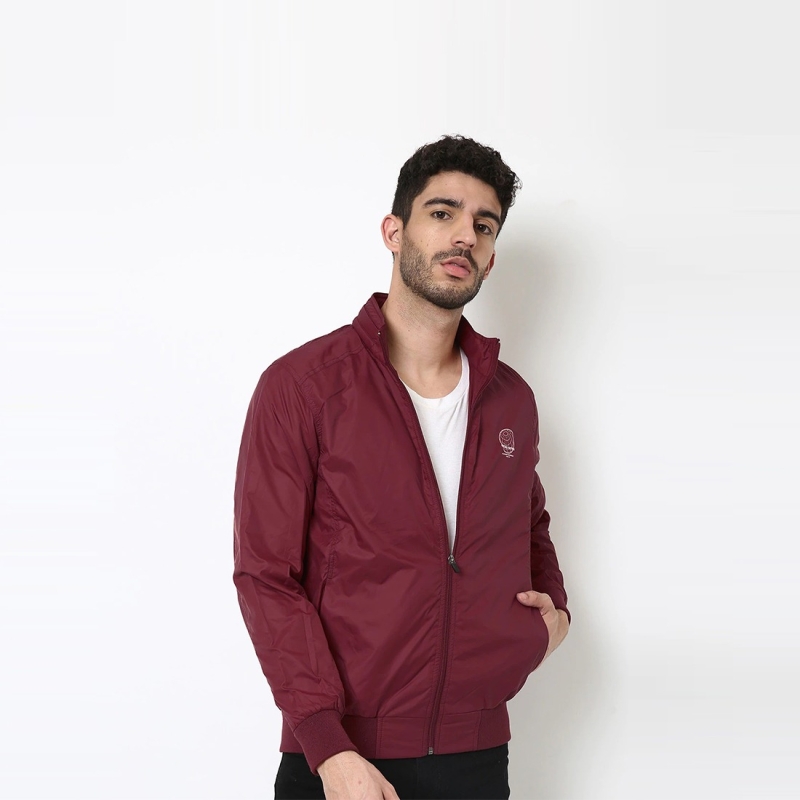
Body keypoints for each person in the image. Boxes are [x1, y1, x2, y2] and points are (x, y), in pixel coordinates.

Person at [233, 135, 570, 800]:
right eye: (442, 213)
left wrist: (553, 611)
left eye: (484, 225)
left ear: (491, 257)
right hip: (341, 757)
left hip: (475, 759)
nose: (465, 235)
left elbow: (529, 524)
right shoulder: (303, 387)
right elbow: (266, 577)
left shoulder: (511, 400)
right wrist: (329, 747)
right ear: (394, 232)